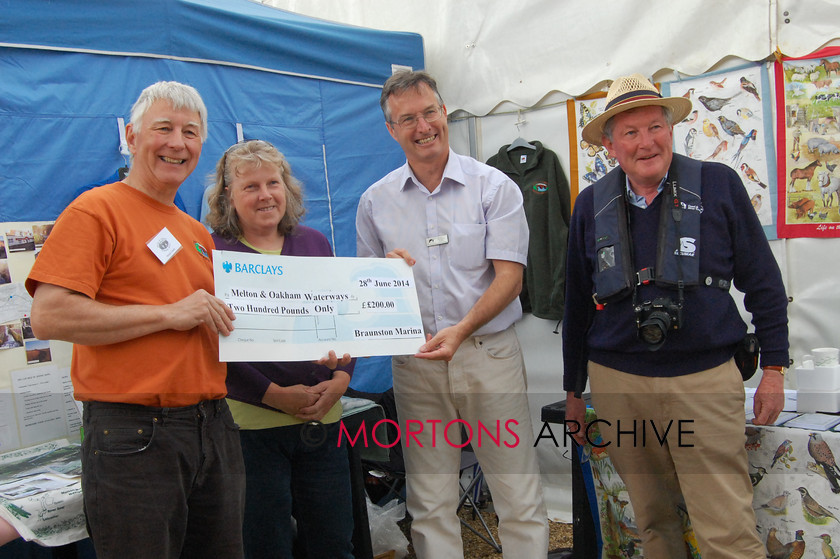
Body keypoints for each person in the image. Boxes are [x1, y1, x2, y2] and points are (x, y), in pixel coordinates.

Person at [563, 73, 789, 559]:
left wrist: (775, 369)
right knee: (653, 521)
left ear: (671, 128)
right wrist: (572, 392)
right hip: (618, 384)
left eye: (655, 127)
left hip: (704, 382)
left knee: (725, 526)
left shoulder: (720, 186)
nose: (646, 142)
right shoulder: (589, 206)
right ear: (610, 143)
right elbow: (577, 304)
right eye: (630, 132)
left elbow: (764, 284)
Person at [25, 81, 246, 559]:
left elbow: (228, 321)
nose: (177, 143)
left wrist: (338, 317)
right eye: (162, 128)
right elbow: (48, 315)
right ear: (130, 135)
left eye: (190, 133)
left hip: (213, 427)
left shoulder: (196, 234)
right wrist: (170, 314)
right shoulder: (95, 210)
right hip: (135, 435)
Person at [356, 70, 549, 559]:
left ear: (444, 112)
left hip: (488, 355)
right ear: (391, 130)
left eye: (428, 112)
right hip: (417, 364)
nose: (422, 126)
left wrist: (461, 330)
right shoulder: (374, 202)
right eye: (407, 119)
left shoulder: (494, 187)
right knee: (430, 498)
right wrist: (383, 276)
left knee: (516, 491)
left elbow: (510, 280)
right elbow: (367, 289)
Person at [206, 139, 355, 559]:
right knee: (265, 544)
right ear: (228, 196)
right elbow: (210, 342)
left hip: (323, 421)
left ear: (287, 189)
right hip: (251, 429)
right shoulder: (213, 252)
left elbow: (342, 320)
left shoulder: (314, 243)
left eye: (273, 182)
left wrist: (343, 378)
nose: (265, 194)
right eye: (250, 186)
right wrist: (271, 394)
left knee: (333, 542)